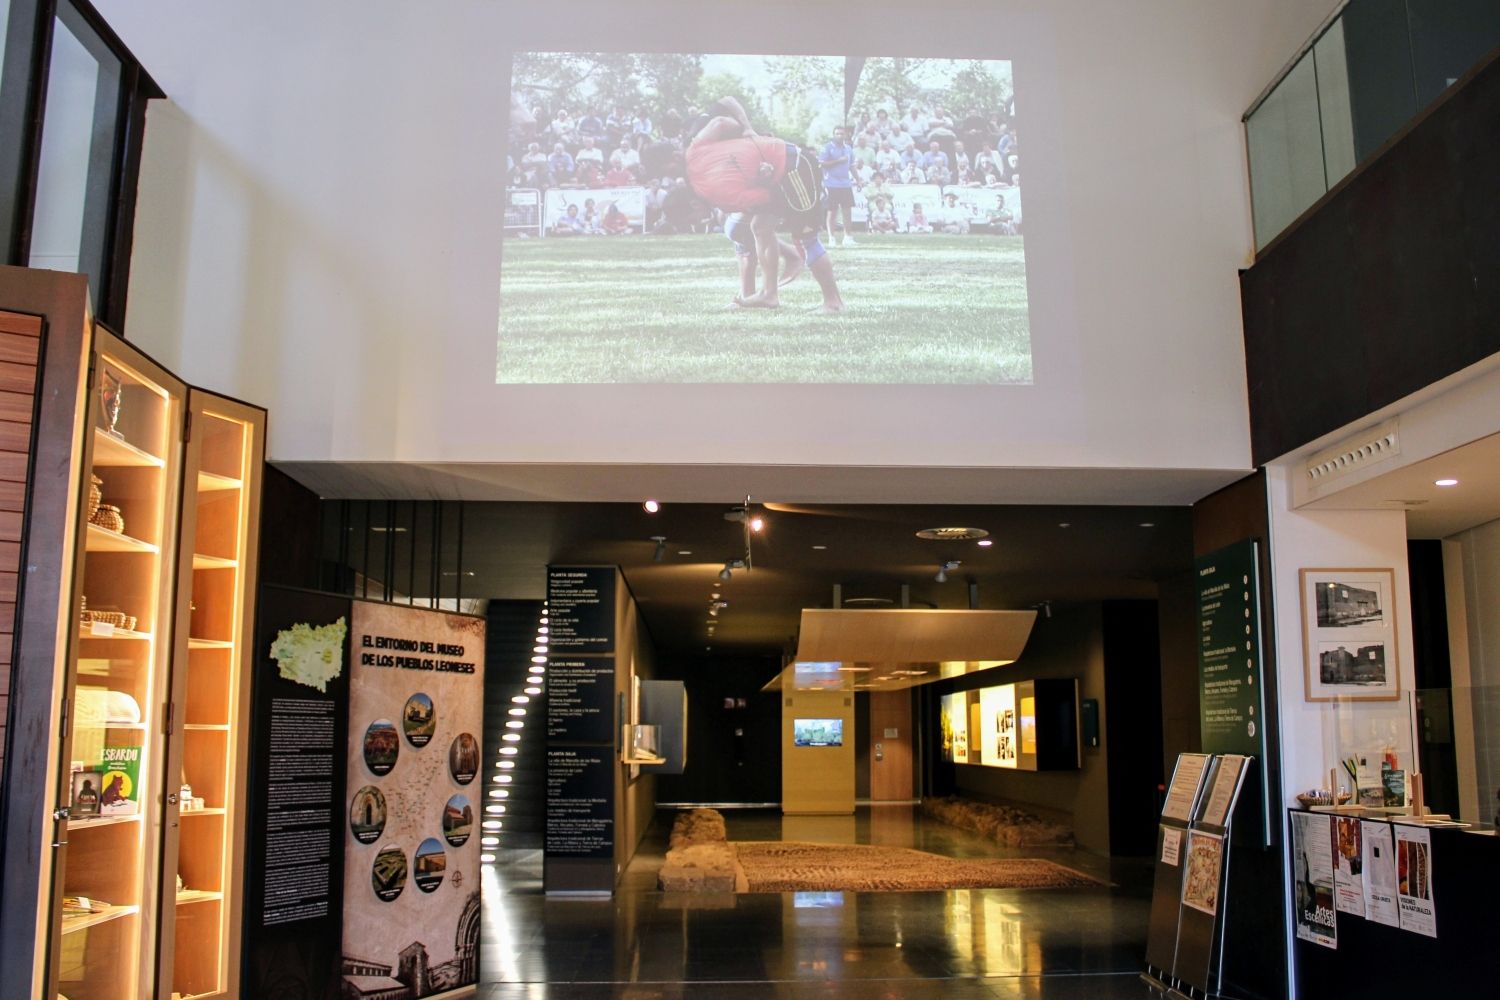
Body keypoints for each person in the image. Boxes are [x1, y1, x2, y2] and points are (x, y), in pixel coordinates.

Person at [683, 96, 845, 311]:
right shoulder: (696, 153)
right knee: (757, 227)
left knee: (804, 238)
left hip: (795, 166)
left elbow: (766, 197)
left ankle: (833, 303)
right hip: (778, 167)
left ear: (696, 203)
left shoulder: (719, 188)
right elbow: (721, 124)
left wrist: (748, 132)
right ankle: (768, 294)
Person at [819, 126, 857, 247]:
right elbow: (821, 164)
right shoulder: (827, 148)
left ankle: (848, 237)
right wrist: (838, 161)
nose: (840, 136)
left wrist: (858, 179)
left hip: (846, 184)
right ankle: (831, 238)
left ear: (845, 135)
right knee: (832, 211)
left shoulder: (849, 149)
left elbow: (852, 166)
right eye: (837, 134)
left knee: (847, 211)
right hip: (831, 183)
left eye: (842, 134)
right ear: (833, 135)